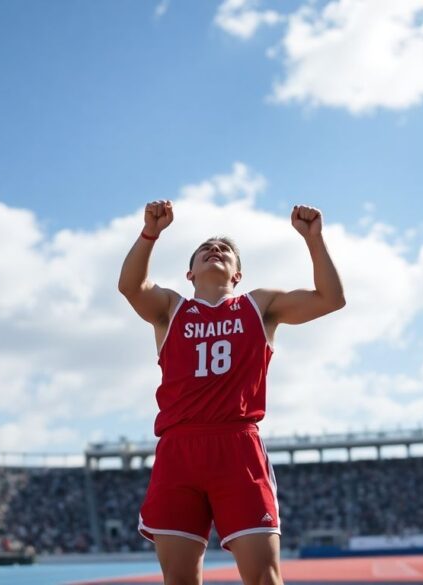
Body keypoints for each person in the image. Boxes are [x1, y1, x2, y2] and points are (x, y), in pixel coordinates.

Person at [118, 201, 345, 585]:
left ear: (237, 274)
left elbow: (330, 299)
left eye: (225, 250)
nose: (215, 250)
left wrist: (314, 240)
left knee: (263, 578)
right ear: (190, 272)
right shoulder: (171, 309)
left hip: (237, 448)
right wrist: (149, 234)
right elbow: (130, 286)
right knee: (179, 580)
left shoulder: (259, 305)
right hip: (179, 450)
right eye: (206, 249)